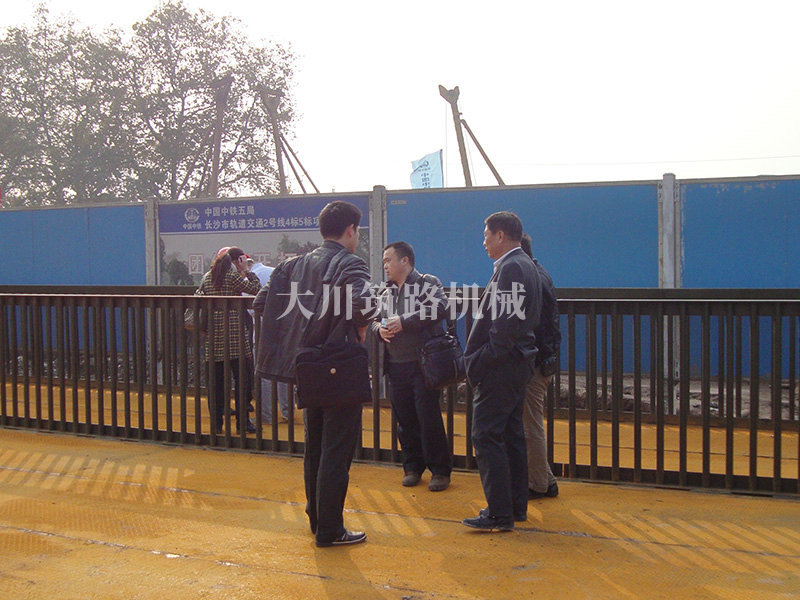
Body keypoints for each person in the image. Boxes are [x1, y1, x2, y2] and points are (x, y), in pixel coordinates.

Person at [254, 200, 378, 548]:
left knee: (316, 446)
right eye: (357, 231)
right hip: (338, 365)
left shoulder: (292, 265)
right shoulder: (350, 263)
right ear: (351, 230)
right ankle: (331, 530)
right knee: (337, 450)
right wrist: (358, 326)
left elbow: (261, 303)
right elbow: (365, 305)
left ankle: (317, 519)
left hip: (306, 366)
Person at [462, 211, 542, 532]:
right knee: (511, 435)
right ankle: (515, 506)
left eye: (486, 235)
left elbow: (503, 330)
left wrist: (480, 361)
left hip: (502, 367)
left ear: (500, 235)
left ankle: (498, 512)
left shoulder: (511, 268)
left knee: (485, 435)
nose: (483, 242)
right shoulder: (526, 265)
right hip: (517, 364)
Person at [370, 241, 453, 492]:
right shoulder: (385, 292)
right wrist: (379, 329)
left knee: (428, 418)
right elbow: (374, 320)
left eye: (388, 260)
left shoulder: (427, 283)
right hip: (396, 365)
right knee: (404, 420)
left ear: (404, 260)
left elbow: (440, 308)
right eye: (384, 262)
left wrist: (404, 321)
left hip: (422, 364)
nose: (385, 266)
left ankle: (440, 470)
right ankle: (412, 467)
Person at [198, 246, 261, 434]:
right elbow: (256, 289)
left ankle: (217, 424)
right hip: (235, 338)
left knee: (216, 384)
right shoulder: (232, 276)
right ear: (237, 261)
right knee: (243, 381)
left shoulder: (207, 277)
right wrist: (246, 271)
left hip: (214, 337)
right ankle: (243, 423)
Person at [520, 233, 561, 500]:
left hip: (534, 363)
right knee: (531, 423)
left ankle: (537, 484)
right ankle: (546, 479)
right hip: (543, 361)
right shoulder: (540, 273)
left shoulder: (530, 278)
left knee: (531, 427)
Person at [247, 257, 290, 424]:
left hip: (263, 331)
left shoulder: (253, 278)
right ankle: (287, 410)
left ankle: (267, 415)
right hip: (285, 330)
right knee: (285, 371)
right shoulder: (275, 272)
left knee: (265, 372)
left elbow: (255, 306)